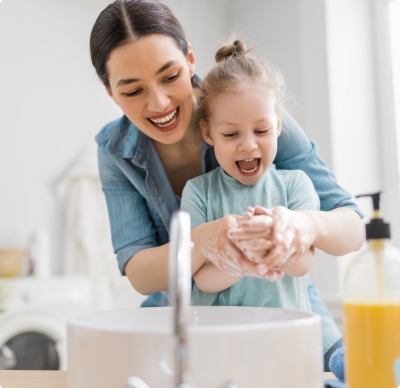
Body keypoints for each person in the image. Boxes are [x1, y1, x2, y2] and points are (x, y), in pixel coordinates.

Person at [90, 0, 364, 370]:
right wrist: (208, 240)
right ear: (110, 92)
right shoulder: (115, 151)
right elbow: (139, 270)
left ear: (189, 60)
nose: (159, 103)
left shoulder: (250, 110)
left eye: (170, 76)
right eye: (133, 91)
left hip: (281, 304)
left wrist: (305, 225)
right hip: (185, 314)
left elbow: (350, 225)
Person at [181, 39, 319, 312]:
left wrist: (266, 245)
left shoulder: (296, 185)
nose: (248, 145)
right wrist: (246, 254)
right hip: (219, 339)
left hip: (283, 335)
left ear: (278, 125)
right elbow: (203, 279)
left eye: (261, 131)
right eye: (231, 134)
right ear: (208, 133)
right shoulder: (197, 192)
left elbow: (303, 264)